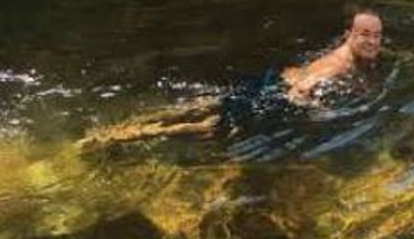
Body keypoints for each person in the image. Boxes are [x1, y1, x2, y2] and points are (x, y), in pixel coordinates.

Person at [79, 9, 384, 148]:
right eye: (365, 35)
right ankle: (124, 135)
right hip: (274, 94)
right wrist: (320, 111)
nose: (372, 41)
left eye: (377, 35)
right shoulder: (337, 66)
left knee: (208, 105)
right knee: (210, 129)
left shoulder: (349, 52)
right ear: (349, 35)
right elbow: (302, 89)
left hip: (269, 79)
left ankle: (129, 125)